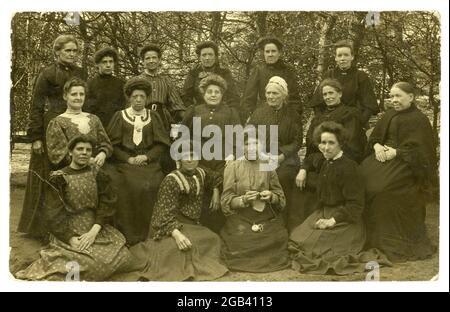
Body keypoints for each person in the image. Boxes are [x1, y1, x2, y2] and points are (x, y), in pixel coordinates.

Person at [15, 136, 133, 281]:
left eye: (88, 150)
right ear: (70, 152)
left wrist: (94, 231)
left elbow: (107, 203)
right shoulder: (59, 178)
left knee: (125, 256)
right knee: (92, 263)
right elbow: (53, 213)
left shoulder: (97, 174)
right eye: (80, 149)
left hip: (95, 227)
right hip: (70, 229)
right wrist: (70, 238)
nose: (84, 153)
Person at [290, 121, 390, 275]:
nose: (326, 147)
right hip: (324, 213)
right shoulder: (325, 161)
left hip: (346, 220)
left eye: (331, 143)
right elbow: (311, 160)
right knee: (298, 239)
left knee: (323, 252)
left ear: (340, 144)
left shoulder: (349, 168)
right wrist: (303, 169)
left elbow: (355, 206)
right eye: (323, 142)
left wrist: (332, 220)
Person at [360, 82, 437, 262]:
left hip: (407, 167)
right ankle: (362, 237)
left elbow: (423, 153)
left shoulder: (420, 120)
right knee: (360, 180)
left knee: (381, 189)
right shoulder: (389, 114)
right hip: (381, 157)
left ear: (411, 97)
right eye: (392, 96)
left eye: (398, 96)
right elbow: (376, 137)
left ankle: (386, 240)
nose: (394, 100)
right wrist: (378, 145)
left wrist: (396, 153)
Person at [125, 148, 228, 281]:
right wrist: (177, 235)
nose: (190, 159)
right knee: (176, 251)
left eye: (193, 155)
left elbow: (215, 177)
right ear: (179, 160)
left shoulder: (201, 172)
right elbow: (162, 214)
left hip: (191, 225)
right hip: (169, 226)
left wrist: (215, 191)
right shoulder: (171, 180)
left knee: (213, 239)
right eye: (186, 156)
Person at [19, 34, 85, 238]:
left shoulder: (81, 72)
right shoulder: (47, 74)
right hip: (51, 126)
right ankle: (42, 229)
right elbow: (36, 106)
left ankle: (71, 226)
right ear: (57, 52)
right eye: (68, 50)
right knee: (49, 174)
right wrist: (36, 137)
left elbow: (84, 98)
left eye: (75, 51)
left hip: (74, 123)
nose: (72, 54)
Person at [105, 77, 170, 245]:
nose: (139, 100)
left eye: (142, 96)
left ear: (147, 98)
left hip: (149, 164)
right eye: (135, 97)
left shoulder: (153, 116)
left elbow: (161, 144)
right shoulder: (120, 116)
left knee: (154, 185)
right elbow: (112, 145)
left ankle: (150, 232)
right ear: (129, 97)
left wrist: (147, 157)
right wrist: (129, 158)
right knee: (127, 185)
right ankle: (129, 234)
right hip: (125, 163)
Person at [181, 74, 242, 233]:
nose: (213, 95)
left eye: (217, 92)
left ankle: (220, 229)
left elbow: (239, 137)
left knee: (226, 180)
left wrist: (233, 154)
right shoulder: (194, 110)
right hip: (198, 159)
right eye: (210, 92)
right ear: (203, 93)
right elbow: (182, 134)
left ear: (222, 94)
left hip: (223, 159)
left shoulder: (230, 112)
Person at [220, 135, 290, 273]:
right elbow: (226, 200)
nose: (251, 147)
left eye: (255, 143)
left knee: (277, 239)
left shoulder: (268, 165)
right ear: (242, 147)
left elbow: (280, 198)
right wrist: (243, 200)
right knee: (241, 242)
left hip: (264, 215)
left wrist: (271, 197)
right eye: (247, 144)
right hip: (242, 217)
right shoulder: (233, 166)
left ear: (261, 146)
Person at [248, 76, 302, 230]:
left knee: (283, 177)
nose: (271, 97)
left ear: (283, 95)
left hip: (285, 158)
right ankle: (262, 221)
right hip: (262, 155)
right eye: (268, 93)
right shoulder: (259, 113)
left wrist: (281, 156)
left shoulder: (293, 115)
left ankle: (283, 222)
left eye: (275, 93)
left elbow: (297, 141)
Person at [46, 78, 112, 170]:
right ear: (65, 96)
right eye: (74, 94)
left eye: (81, 94)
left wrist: (103, 153)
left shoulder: (94, 119)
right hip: (71, 172)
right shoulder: (58, 122)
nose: (78, 98)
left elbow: (105, 143)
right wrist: (85, 160)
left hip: (98, 168)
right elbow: (57, 154)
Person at [309, 39, 379, 126]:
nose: (343, 58)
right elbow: (317, 104)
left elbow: (369, 106)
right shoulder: (329, 75)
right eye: (339, 55)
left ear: (352, 57)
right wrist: (323, 121)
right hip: (330, 122)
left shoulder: (360, 76)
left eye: (346, 55)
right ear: (336, 58)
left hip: (352, 121)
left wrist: (359, 123)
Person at [241, 35, 301, 121]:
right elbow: (249, 98)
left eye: (273, 51)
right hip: (263, 114)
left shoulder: (287, 71)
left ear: (279, 53)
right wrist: (249, 115)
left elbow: (294, 99)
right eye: (267, 51)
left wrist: (293, 117)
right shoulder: (258, 70)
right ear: (264, 53)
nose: (270, 54)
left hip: (284, 116)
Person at [306, 78, 366, 163]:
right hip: (318, 159)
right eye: (325, 94)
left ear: (340, 94)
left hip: (343, 159)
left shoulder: (350, 114)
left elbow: (351, 142)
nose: (328, 97)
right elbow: (310, 141)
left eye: (331, 93)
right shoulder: (318, 117)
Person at [137, 43, 186, 130]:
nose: (151, 61)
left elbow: (176, 104)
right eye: (147, 58)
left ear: (159, 60)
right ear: (143, 61)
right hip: (141, 119)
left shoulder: (166, 81)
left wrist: (186, 118)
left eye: (154, 58)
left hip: (162, 120)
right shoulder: (137, 81)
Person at [181, 40, 240, 111]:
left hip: (221, 112)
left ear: (215, 56)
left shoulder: (224, 72)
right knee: (196, 122)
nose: (207, 58)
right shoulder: (194, 72)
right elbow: (186, 97)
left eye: (210, 54)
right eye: (204, 55)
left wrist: (229, 112)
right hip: (198, 112)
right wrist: (192, 111)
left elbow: (233, 97)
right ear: (199, 57)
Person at [85, 47, 126, 128]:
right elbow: (87, 109)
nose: (108, 65)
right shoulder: (89, 84)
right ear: (97, 64)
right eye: (104, 62)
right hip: (95, 126)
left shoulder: (121, 84)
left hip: (116, 126)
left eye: (111, 62)